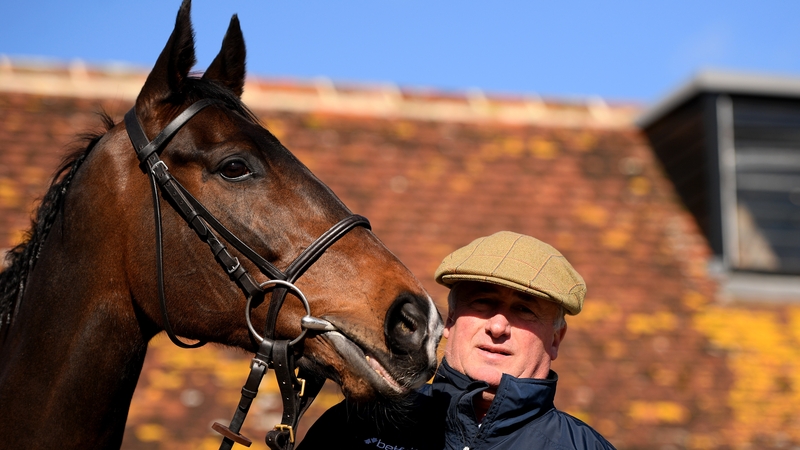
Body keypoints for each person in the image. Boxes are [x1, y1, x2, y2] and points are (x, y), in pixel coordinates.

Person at [298, 231, 615, 449]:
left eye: (524, 310)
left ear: (556, 339)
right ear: (449, 319)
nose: (498, 325)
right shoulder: (363, 422)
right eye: (483, 303)